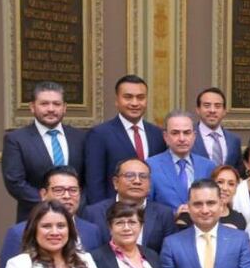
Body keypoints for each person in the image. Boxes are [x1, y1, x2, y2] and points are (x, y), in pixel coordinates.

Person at [2, 81, 87, 221]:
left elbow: (88, 179)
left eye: (56, 104)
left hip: (77, 217)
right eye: (44, 104)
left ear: (64, 108)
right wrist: (52, 205)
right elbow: (15, 183)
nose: (51, 109)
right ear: (32, 107)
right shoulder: (16, 139)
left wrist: (76, 204)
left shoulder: (80, 137)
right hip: (35, 217)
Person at [85, 75, 166, 203]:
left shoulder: (158, 134)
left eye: (140, 97)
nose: (134, 103)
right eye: (128, 97)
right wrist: (102, 214)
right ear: (117, 100)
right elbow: (95, 181)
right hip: (115, 212)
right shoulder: (100, 134)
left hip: (152, 210)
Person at [82, 159, 176, 253]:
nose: (137, 181)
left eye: (143, 176)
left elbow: (167, 254)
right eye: (129, 176)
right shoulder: (93, 213)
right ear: (116, 182)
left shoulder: (164, 214)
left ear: (150, 184)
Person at [146, 111, 216, 212]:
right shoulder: (150, 166)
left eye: (187, 133)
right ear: (165, 137)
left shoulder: (208, 165)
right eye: (175, 133)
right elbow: (147, 207)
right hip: (166, 227)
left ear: (194, 136)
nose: (182, 139)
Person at [176, 165, 248, 230]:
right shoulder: (193, 213)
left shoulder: (239, 218)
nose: (225, 188)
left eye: (231, 184)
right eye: (220, 182)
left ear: (236, 188)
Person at [191, 87, 242, 169]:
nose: (212, 110)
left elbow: (239, 171)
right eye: (207, 105)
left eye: (217, 106)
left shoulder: (234, 140)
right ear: (198, 110)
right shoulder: (187, 136)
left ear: (224, 111)